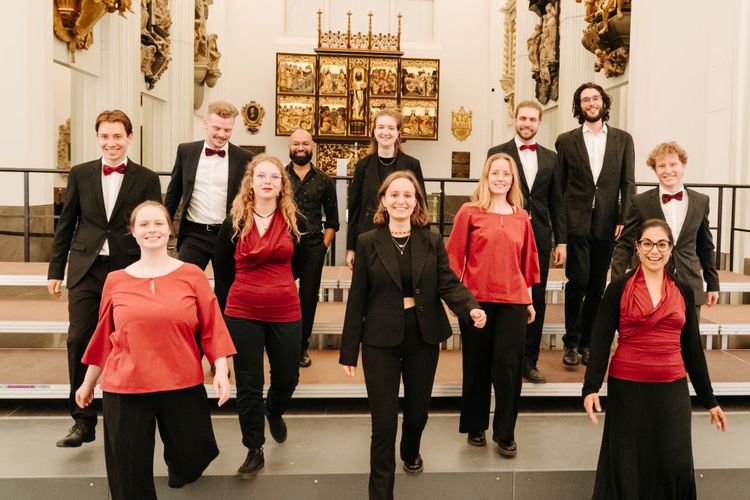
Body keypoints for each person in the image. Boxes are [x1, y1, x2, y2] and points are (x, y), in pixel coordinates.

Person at [340, 171, 486, 500]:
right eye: (394, 195)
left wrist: (470, 307)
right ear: (383, 200)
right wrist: (349, 350)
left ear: (417, 201)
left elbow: (447, 282)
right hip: (379, 340)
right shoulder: (367, 241)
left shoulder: (431, 240)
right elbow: (358, 296)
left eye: (408, 195)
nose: (401, 200)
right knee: (383, 424)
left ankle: (410, 451)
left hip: (423, 336)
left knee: (417, 413)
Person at [74, 201, 235, 500]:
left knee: (196, 453)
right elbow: (105, 335)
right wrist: (88, 382)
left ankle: (179, 467)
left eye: (158, 223)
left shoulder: (192, 275)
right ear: (133, 232)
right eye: (144, 224)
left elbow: (213, 326)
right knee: (128, 477)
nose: (152, 230)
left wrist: (221, 370)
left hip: (181, 381)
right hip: (126, 387)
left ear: (169, 230)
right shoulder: (115, 280)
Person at [583, 219, 727, 499]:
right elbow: (600, 340)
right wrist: (590, 388)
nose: (654, 251)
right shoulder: (618, 288)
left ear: (671, 249)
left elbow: (693, 351)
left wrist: (710, 401)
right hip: (628, 389)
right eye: (647, 243)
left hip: (671, 388)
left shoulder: (683, 290)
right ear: (637, 248)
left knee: (676, 462)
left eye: (662, 244)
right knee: (628, 465)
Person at [47, 109, 161, 447]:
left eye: (117, 136)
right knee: (79, 339)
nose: (111, 143)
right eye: (105, 137)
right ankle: (82, 421)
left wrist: (154, 268)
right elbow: (66, 223)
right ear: (98, 138)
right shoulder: (80, 174)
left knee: (128, 342)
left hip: (128, 271)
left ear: (129, 138)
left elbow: (154, 224)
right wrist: (56, 270)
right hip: (86, 268)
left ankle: (125, 416)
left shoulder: (146, 177)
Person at [213, 154, 302, 477]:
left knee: (287, 377)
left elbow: (303, 263)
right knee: (249, 383)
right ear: (250, 182)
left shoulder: (295, 221)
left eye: (274, 177)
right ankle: (254, 447)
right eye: (261, 175)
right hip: (243, 309)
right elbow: (222, 270)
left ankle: (274, 410)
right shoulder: (234, 222)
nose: (267, 181)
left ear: (282, 185)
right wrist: (229, 309)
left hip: (285, 308)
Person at [446, 152, 540, 457]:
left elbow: (528, 263)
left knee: (508, 367)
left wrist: (529, 300)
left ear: (513, 180)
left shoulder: (521, 216)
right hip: (477, 301)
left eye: (507, 174)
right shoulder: (469, 212)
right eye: (495, 173)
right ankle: (475, 425)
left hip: (513, 300)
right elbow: (452, 258)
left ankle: (505, 432)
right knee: (477, 365)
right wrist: (457, 300)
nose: (501, 178)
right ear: (486, 177)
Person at [554, 82, 635, 367]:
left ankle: (589, 343)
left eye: (595, 98)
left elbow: (628, 183)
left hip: (607, 223)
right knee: (578, 281)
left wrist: (625, 219)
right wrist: (560, 232)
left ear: (604, 103)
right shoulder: (566, 140)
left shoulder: (623, 140)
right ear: (578, 106)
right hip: (576, 223)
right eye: (585, 100)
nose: (591, 103)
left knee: (598, 285)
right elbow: (559, 189)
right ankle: (571, 343)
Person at [487, 100, 566, 383]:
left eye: (532, 120)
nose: (527, 124)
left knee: (537, 298)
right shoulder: (497, 153)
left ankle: (528, 361)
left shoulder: (551, 157)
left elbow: (557, 201)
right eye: (522, 119)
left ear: (539, 123)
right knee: (504, 296)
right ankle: (501, 359)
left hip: (541, 236)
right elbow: (488, 191)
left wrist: (562, 241)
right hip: (504, 235)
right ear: (515, 120)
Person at [611, 141, 720, 313]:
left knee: (689, 339)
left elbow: (706, 246)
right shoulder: (640, 202)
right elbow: (624, 245)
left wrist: (713, 283)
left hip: (689, 283)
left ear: (683, 165)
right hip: (649, 284)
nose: (668, 170)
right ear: (655, 170)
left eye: (673, 164)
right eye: (661, 166)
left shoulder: (701, 201)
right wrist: (616, 286)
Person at [164, 100, 252, 270]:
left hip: (229, 233)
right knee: (185, 284)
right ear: (206, 124)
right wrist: (165, 224)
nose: (221, 134)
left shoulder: (244, 157)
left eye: (227, 130)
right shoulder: (186, 151)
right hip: (193, 233)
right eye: (216, 128)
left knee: (225, 291)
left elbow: (249, 197)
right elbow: (173, 192)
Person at [347, 108, 426, 270]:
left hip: (404, 236)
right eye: (381, 127)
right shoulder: (362, 166)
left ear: (398, 133)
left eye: (391, 128)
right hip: (368, 236)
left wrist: (423, 243)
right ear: (374, 132)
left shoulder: (412, 165)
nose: (385, 132)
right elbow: (355, 209)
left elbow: (421, 205)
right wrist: (351, 247)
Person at [286, 129, 339, 368]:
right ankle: (282, 343)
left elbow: (333, 220)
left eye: (305, 144)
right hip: (282, 244)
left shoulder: (324, 180)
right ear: (289, 146)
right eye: (296, 143)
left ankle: (300, 347)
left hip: (312, 246)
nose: (300, 147)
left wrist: (322, 248)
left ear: (312, 147)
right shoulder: (278, 176)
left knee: (307, 298)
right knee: (283, 297)